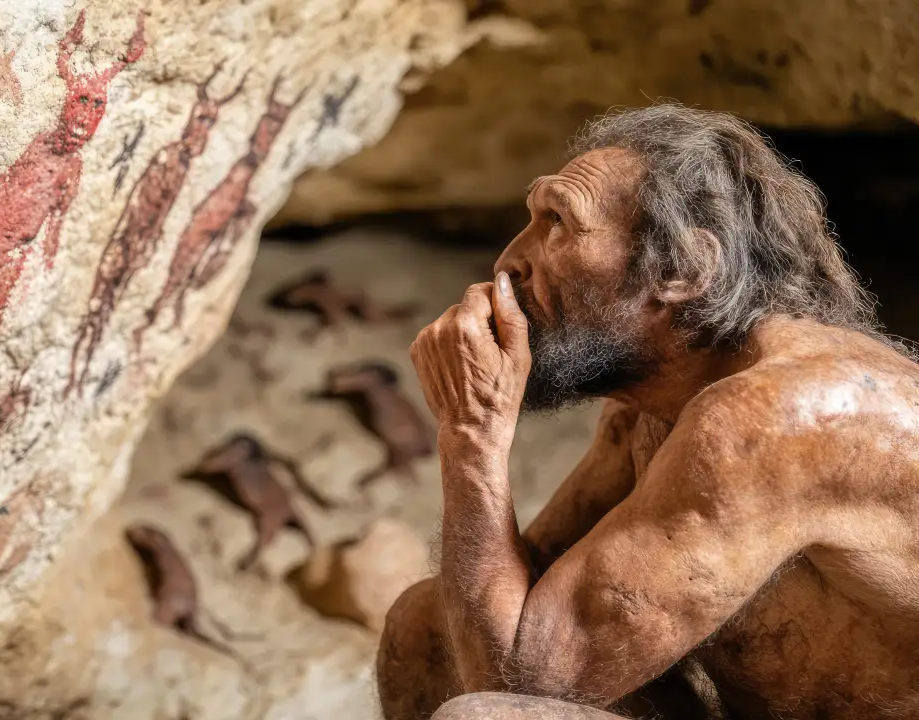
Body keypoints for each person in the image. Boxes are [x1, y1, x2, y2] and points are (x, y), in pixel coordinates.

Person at [377, 103, 919, 720]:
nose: (508, 261)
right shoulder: (652, 409)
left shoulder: (776, 417)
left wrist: (472, 434)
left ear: (682, 269)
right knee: (423, 629)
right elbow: (524, 615)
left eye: (557, 221)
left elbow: (520, 679)